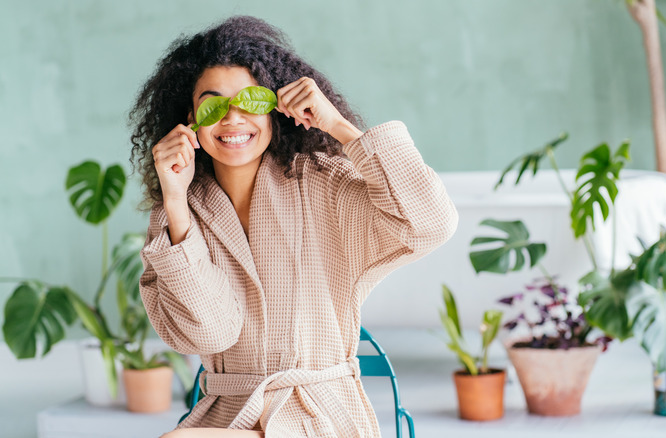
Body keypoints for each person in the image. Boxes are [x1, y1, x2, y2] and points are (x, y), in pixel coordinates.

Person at [130, 15, 458, 438]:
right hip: (231, 416)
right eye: (213, 105)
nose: (232, 119)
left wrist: (337, 126)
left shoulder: (325, 184)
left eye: (250, 101)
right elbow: (209, 332)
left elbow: (430, 223)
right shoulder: (177, 214)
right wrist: (175, 201)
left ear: (274, 109)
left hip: (321, 415)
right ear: (189, 118)